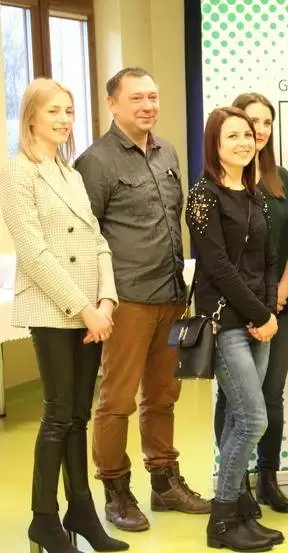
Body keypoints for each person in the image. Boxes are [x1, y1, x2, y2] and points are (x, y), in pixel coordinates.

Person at [74, 67, 210, 532]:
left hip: (171, 294)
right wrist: (99, 302)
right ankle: (116, 491)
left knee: (163, 395)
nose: (148, 106)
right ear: (112, 104)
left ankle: (165, 482)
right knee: (117, 401)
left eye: (153, 97)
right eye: (136, 98)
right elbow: (86, 237)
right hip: (126, 299)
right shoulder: (96, 162)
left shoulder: (167, 151)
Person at [0, 78, 128, 552]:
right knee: (58, 414)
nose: (64, 119)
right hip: (54, 308)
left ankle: (81, 511)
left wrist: (107, 301)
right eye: (53, 110)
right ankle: (43, 519)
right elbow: (34, 253)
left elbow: (97, 241)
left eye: (69, 111)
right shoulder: (18, 172)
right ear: (31, 116)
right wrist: (85, 308)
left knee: (78, 416)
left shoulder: (69, 173)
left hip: (91, 308)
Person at [187, 107, 283, 551]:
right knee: (251, 419)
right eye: (233, 136)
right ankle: (222, 520)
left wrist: (267, 310)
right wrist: (258, 315)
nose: (245, 142)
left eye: (248, 135)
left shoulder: (254, 194)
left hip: (259, 319)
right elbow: (218, 266)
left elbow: (269, 259)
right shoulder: (203, 196)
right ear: (215, 144)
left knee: (236, 416)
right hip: (225, 321)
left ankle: (238, 511)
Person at [212, 92, 288, 515]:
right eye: (252, 123)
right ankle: (236, 486)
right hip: (238, 308)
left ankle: (268, 477)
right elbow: (220, 261)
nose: (259, 131)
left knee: (272, 395)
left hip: (279, 300)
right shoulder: (218, 186)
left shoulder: (281, 179)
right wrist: (257, 307)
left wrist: (278, 295)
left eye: (267, 123)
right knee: (234, 401)